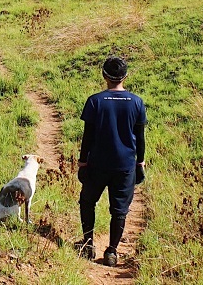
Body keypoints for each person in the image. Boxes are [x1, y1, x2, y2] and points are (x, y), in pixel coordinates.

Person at [76, 56, 146, 266]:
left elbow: (87, 136)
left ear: (104, 75)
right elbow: (140, 137)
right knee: (119, 210)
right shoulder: (136, 102)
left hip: (97, 163)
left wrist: (82, 162)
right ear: (126, 76)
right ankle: (112, 251)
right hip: (125, 165)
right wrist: (140, 163)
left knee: (87, 201)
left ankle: (88, 244)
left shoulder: (95, 101)